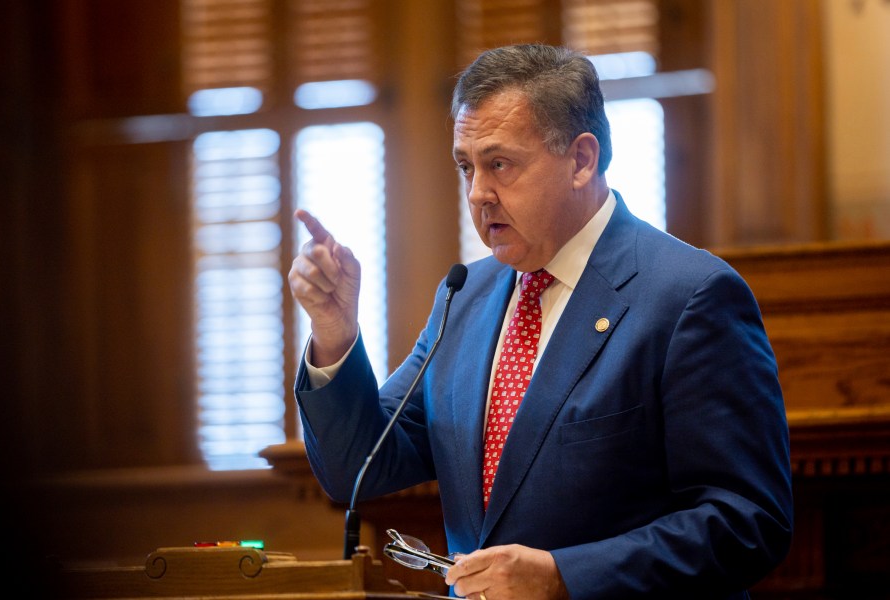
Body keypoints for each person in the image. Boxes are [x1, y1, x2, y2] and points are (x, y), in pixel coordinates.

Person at [288, 44, 793, 599]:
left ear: (580, 160)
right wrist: (334, 333)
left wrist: (563, 577)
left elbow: (748, 520)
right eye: (466, 166)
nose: (478, 193)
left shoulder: (689, 295)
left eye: (499, 164)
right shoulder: (465, 295)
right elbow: (359, 467)